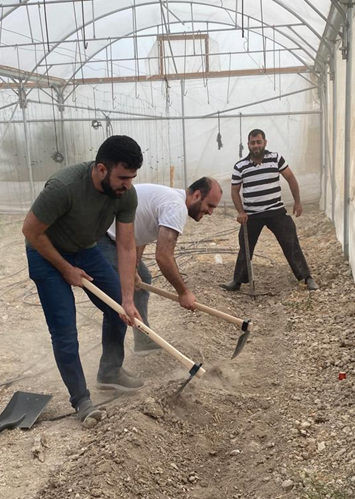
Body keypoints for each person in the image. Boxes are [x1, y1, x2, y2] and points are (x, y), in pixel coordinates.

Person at [22, 135, 144, 427]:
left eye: (132, 177)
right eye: (122, 177)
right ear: (101, 169)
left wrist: (127, 299)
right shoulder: (64, 187)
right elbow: (30, 231)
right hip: (46, 253)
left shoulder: (126, 194)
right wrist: (65, 268)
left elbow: (126, 247)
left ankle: (110, 371)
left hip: (86, 249)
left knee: (119, 311)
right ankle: (81, 400)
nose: (127, 184)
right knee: (65, 331)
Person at [97, 178, 223, 354]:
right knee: (119, 300)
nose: (210, 212)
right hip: (103, 236)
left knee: (143, 279)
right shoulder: (176, 207)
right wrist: (183, 293)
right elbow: (163, 256)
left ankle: (143, 340)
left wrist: (134, 268)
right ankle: (109, 371)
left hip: (117, 237)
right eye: (210, 205)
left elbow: (140, 232)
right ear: (196, 195)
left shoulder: (169, 199)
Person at [220, 129, 318, 292]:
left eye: (259, 142)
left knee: (290, 242)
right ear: (248, 145)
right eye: (253, 143)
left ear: (265, 142)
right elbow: (234, 191)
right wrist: (241, 212)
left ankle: (307, 278)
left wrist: (298, 202)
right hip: (252, 215)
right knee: (245, 246)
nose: (256, 145)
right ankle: (237, 281)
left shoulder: (276, 159)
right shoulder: (240, 166)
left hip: (276, 211)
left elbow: (291, 178)